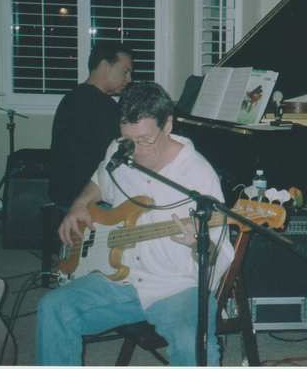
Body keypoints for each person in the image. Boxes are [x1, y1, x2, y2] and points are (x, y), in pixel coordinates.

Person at [36, 82, 235, 366]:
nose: (135, 151)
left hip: (176, 288)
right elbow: (100, 179)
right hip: (122, 279)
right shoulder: (120, 150)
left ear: (168, 124)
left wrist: (197, 245)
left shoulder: (198, 175)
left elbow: (218, 252)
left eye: (144, 140)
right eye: (128, 139)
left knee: (194, 345)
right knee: (52, 307)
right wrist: (80, 204)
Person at [48, 41, 133, 208]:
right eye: (125, 71)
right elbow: (120, 155)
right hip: (86, 202)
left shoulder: (72, 97)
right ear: (104, 66)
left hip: (62, 196)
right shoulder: (103, 106)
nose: (129, 79)